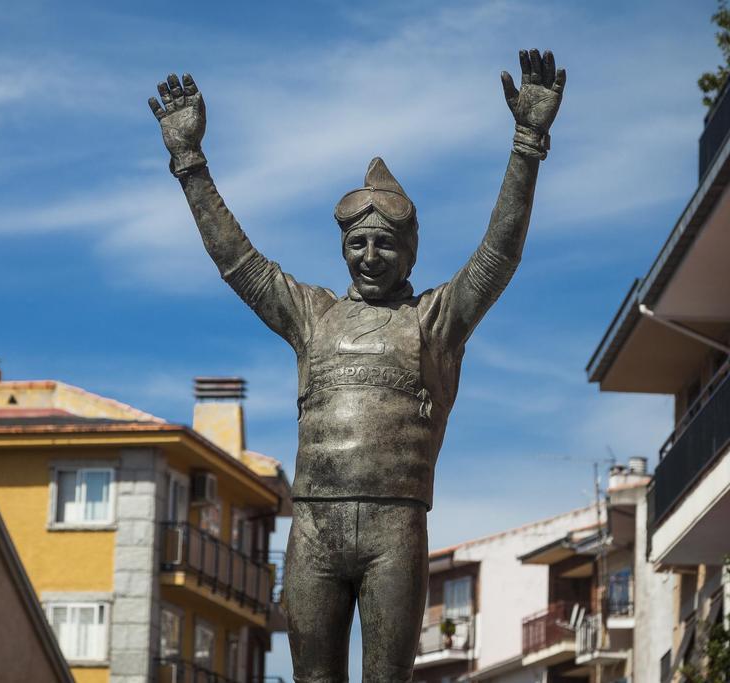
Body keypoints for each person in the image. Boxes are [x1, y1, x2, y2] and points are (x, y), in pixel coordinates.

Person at [148, 50, 565, 683]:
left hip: (395, 526)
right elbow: (239, 261)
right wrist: (190, 163)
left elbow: (498, 255)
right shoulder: (310, 314)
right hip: (313, 524)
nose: (370, 255)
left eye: (386, 243)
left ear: (409, 251)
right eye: (357, 243)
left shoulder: (435, 320)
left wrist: (527, 144)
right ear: (342, 248)